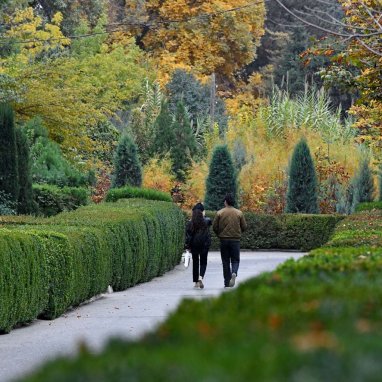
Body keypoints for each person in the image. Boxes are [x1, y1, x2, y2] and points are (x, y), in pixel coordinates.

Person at [213, 193, 247, 288]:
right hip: (235, 240)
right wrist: (238, 233)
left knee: (225, 261)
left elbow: (215, 227)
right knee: (235, 260)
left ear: (226, 202)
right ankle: (234, 273)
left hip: (224, 240)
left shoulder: (220, 213)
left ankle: (226, 282)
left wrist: (219, 234)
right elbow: (244, 226)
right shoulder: (239, 213)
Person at [185, 203, 212, 289]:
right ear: (202, 212)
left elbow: (188, 236)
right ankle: (201, 278)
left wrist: (187, 246)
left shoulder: (190, 223)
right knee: (203, 262)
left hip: (194, 245)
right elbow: (209, 221)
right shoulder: (206, 221)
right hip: (204, 245)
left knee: (195, 262)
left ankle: (196, 282)